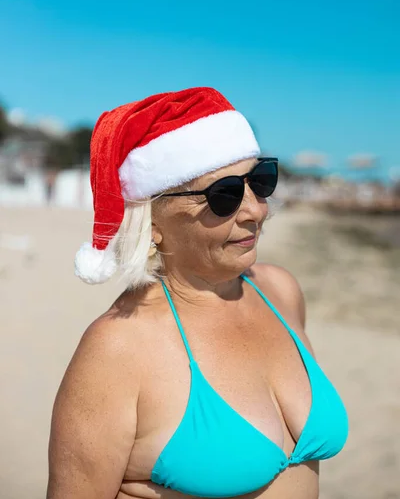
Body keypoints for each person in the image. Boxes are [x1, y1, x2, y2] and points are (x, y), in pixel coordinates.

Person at [47, 87, 348, 499]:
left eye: (260, 181)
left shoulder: (279, 291)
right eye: (223, 195)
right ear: (151, 221)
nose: (256, 210)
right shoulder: (118, 347)